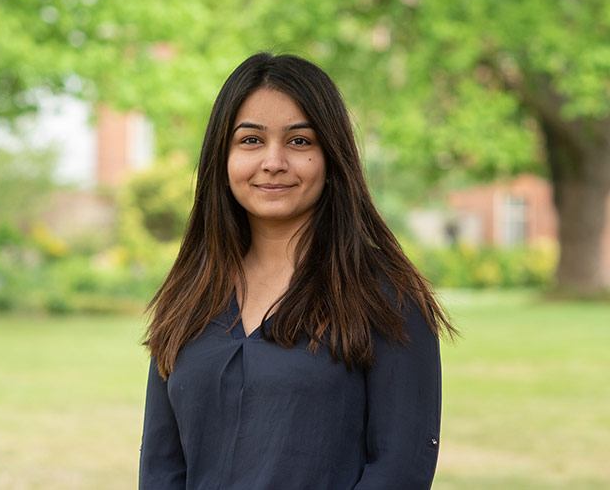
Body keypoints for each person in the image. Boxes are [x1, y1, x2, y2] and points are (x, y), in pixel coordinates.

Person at [138, 52, 458, 490]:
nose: (273, 161)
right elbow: (160, 467)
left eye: (299, 142)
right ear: (222, 157)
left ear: (332, 157)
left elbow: (399, 469)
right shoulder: (190, 294)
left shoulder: (385, 297)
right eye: (250, 141)